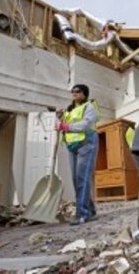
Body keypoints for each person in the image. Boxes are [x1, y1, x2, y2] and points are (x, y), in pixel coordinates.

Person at [56, 84, 99, 226]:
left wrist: (66, 126)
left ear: (85, 94)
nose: (74, 93)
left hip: (86, 143)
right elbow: (65, 126)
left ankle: (82, 214)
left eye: (78, 91)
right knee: (76, 180)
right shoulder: (69, 110)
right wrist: (61, 118)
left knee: (83, 178)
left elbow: (86, 124)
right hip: (72, 146)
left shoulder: (89, 107)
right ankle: (91, 211)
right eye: (73, 91)